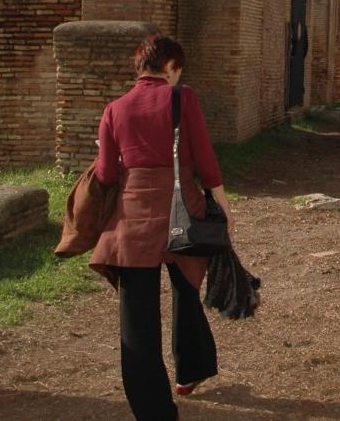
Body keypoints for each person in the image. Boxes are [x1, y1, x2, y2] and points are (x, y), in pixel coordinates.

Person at [90, 33, 234, 421]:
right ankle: (190, 370)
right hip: (182, 211)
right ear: (170, 66)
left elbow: (106, 175)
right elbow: (204, 156)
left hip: (133, 217)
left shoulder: (114, 109)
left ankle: (154, 412)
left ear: (140, 67)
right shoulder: (182, 98)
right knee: (186, 290)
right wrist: (222, 202)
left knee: (136, 321)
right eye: (178, 69)